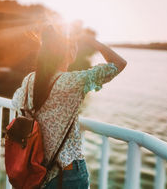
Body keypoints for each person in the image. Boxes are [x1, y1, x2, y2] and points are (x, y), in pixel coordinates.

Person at [12, 24, 127, 189]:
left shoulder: (30, 79)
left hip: (36, 169)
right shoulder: (73, 82)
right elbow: (119, 63)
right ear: (69, 52)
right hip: (67, 174)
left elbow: (16, 103)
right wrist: (93, 41)